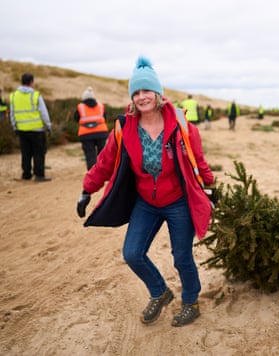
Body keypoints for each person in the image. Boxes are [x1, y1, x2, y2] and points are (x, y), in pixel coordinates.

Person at [76, 56, 214, 327]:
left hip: (177, 202)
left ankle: (191, 302)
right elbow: (104, 162)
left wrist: (211, 186)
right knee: (132, 253)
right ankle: (160, 292)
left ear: (158, 93)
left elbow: (198, 161)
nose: (141, 97)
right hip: (146, 202)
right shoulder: (124, 127)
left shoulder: (182, 126)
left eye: (146, 90)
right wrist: (87, 189)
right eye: (136, 92)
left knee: (182, 257)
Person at [9, 73, 52, 181]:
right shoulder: (36, 95)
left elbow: (12, 114)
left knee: (26, 153)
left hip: (22, 130)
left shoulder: (14, 96)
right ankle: (39, 175)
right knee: (39, 153)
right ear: (32, 82)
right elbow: (44, 113)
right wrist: (48, 126)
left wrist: (15, 127)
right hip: (37, 130)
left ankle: (26, 174)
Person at [73, 86, 109, 170]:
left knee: (90, 155)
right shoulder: (100, 106)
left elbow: (76, 118)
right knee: (102, 154)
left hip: (86, 134)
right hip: (101, 133)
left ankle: (92, 173)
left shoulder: (80, 107)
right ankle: (103, 171)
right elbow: (105, 117)